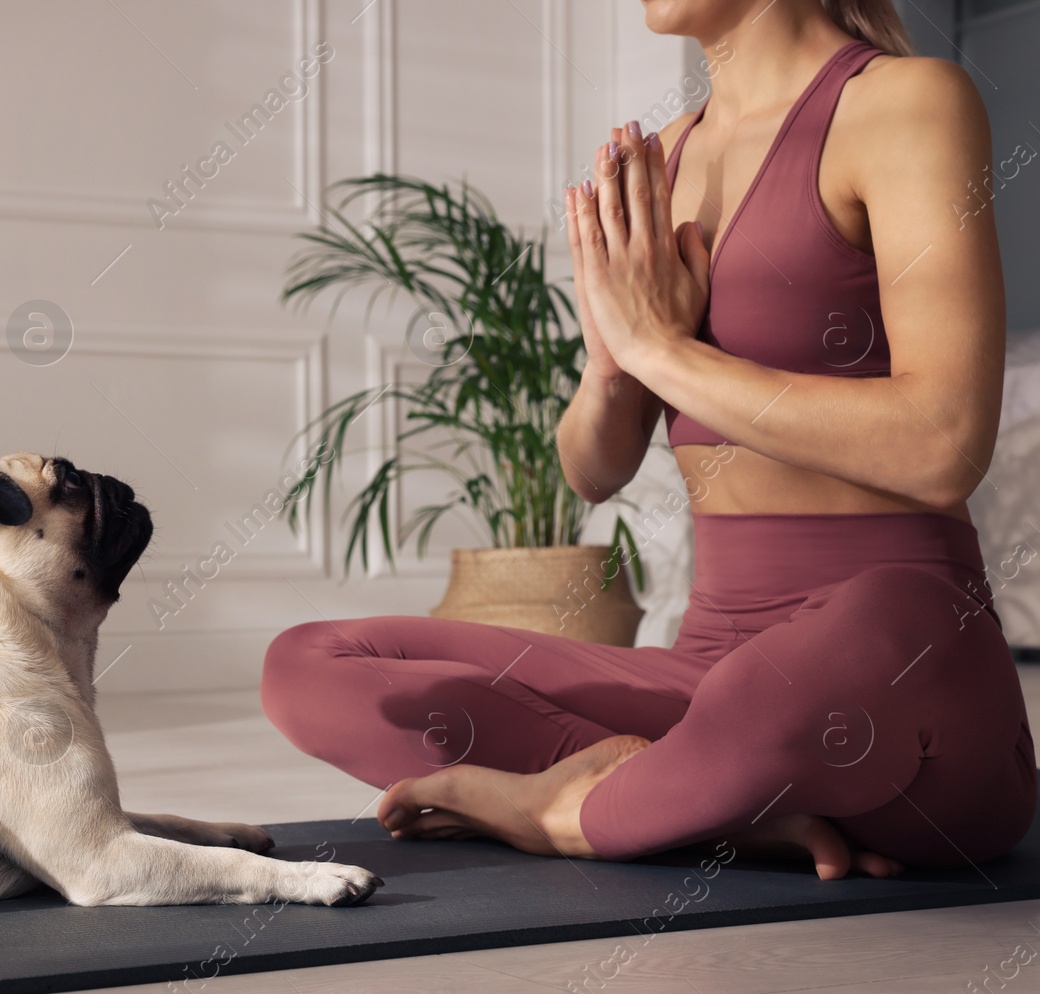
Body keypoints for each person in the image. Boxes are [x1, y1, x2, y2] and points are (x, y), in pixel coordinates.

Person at [260, 0, 1036, 879]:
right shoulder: (662, 160)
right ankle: (714, 805)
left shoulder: (905, 102)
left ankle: (561, 811)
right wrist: (611, 364)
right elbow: (594, 471)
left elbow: (944, 444)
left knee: (798, 679)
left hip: (903, 662)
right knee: (308, 665)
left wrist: (660, 348)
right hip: (710, 668)